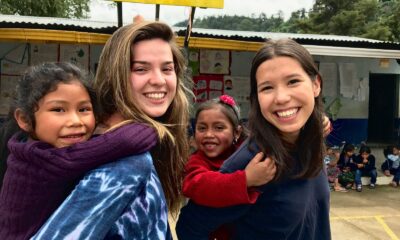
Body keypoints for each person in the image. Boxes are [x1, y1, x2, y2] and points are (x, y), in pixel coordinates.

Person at [32, 21, 191, 239]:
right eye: (141, 69)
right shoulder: (127, 165)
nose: (158, 80)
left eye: (167, 68)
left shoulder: (108, 141)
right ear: (115, 75)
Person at [176, 38, 330, 240]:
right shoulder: (255, 164)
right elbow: (189, 228)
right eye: (267, 88)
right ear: (256, 98)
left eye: (293, 81)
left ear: (316, 85)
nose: (281, 97)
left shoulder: (312, 141)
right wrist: (245, 180)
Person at [0, 62, 157, 239]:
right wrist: (155, 124)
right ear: (24, 119)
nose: (75, 121)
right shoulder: (48, 160)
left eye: (84, 109)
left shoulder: (26, 148)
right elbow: (131, 139)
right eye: (58, 109)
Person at [184, 95, 276, 239]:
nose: (209, 134)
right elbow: (198, 185)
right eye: (202, 128)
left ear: (237, 132)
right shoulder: (197, 161)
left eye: (219, 128)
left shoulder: (246, 152)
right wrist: (246, 179)